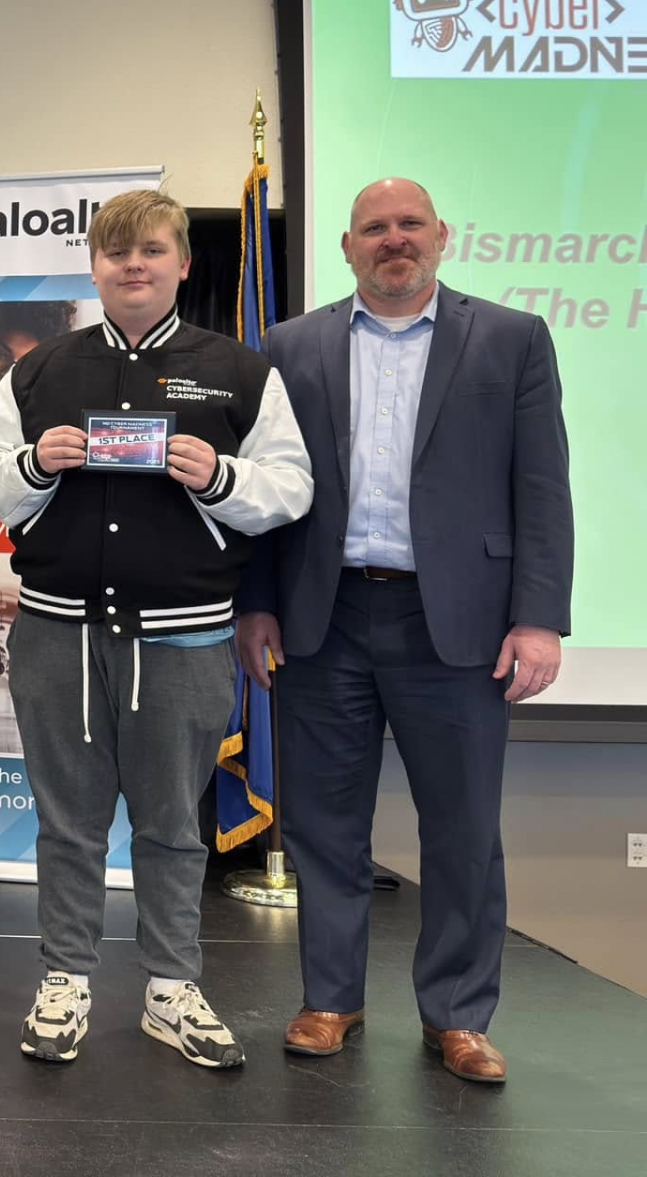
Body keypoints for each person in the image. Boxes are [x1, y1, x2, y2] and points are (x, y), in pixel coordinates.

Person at [237, 177, 572, 1085]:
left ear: (442, 237)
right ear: (347, 247)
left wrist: (539, 620)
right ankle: (330, 999)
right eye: (375, 228)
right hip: (325, 615)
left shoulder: (510, 339)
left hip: (457, 625)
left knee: (462, 830)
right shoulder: (289, 347)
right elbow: (267, 492)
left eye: (410, 225)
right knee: (323, 826)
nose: (394, 240)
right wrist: (257, 601)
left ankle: (458, 1018)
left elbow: (541, 489)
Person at [0, 189, 313, 1069]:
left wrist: (220, 477)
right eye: (118, 253)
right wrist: (31, 464)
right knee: (68, 822)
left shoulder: (241, 371)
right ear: (93, 267)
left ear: (182, 263)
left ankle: (171, 988)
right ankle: (65, 980)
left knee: (172, 824)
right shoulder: (42, 370)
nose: (135, 266)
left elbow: (292, 488)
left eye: (153, 251)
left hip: (185, 637)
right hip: (57, 634)